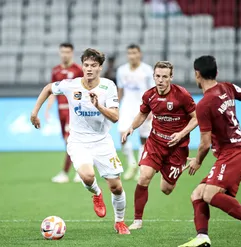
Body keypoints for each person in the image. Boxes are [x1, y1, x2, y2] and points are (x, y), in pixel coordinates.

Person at [177, 55, 241, 247]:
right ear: (216, 72)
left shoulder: (204, 104)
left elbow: (205, 144)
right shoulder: (227, 87)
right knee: (198, 194)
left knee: (208, 194)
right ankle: (202, 236)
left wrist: (197, 161)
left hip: (233, 155)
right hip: (235, 154)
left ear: (196, 74)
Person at [31, 48, 130, 234]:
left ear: (100, 67)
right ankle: (97, 194)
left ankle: (119, 222)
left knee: (116, 187)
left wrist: (98, 105)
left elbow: (115, 117)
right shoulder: (71, 85)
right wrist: (35, 112)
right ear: (82, 66)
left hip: (102, 141)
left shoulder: (108, 86)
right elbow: (48, 88)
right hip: (78, 141)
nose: (89, 69)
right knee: (87, 175)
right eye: (86, 65)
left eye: (94, 65)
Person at [122, 61, 198, 230]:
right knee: (144, 177)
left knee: (166, 189)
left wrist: (181, 134)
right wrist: (131, 128)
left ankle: (182, 163)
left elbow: (196, 117)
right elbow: (142, 114)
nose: (161, 80)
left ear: (171, 77)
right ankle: (137, 220)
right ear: (153, 76)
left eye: (165, 76)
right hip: (155, 143)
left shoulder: (182, 95)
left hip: (177, 147)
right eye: (158, 76)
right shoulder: (149, 95)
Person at [45, 43, 84, 183]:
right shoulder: (56, 71)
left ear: (72, 53)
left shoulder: (78, 70)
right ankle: (78, 171)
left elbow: (82, 90)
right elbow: (52, 91)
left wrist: (77, 106)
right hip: (60, 110)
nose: (65, 54)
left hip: (73, 111)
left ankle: (68, 172)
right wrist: (48, 109)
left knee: (70, 140)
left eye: (67, 52)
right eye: (62, 52)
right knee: (68, 142)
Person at [117, 44, 155, 180]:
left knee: (143, 139)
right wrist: (115, 106)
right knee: (122, 135)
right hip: (127, 106)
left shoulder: (147, 70)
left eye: (134, 53)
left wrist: (152, 109)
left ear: (140, 54)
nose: (132, 56)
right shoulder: (122, 70)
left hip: (143, 108)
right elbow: (120, 90)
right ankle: (131, 164)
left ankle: (140, 167)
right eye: (129, 53)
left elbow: (153, 91)